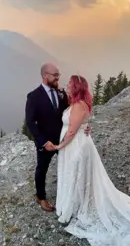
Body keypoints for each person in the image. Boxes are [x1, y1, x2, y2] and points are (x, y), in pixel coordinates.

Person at [53, 75, 130, 246]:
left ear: (76, 87)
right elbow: (79, 125)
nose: (67, 86)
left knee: (75, 175)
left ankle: (74, 206)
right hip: (76, 144)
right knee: (76, 175)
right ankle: (75, 203)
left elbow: (71, 131)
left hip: (75, 146)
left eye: (70, 84)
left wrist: (59, 146)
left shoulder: (78, 106)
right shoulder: (78, 104)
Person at [25, 63, 90, 212]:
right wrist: (42, 142)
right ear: (45, 76)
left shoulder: (61, 94)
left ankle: (70, 195)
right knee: (42, 169)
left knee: (68, 166)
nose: (58, 78)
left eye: (58, 75)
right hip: (46, 142)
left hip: (64, 141)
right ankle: (41, 197)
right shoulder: (33, 96)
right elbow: (30, 122)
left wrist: (84, 125)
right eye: (55, 75)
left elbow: (75, 113)